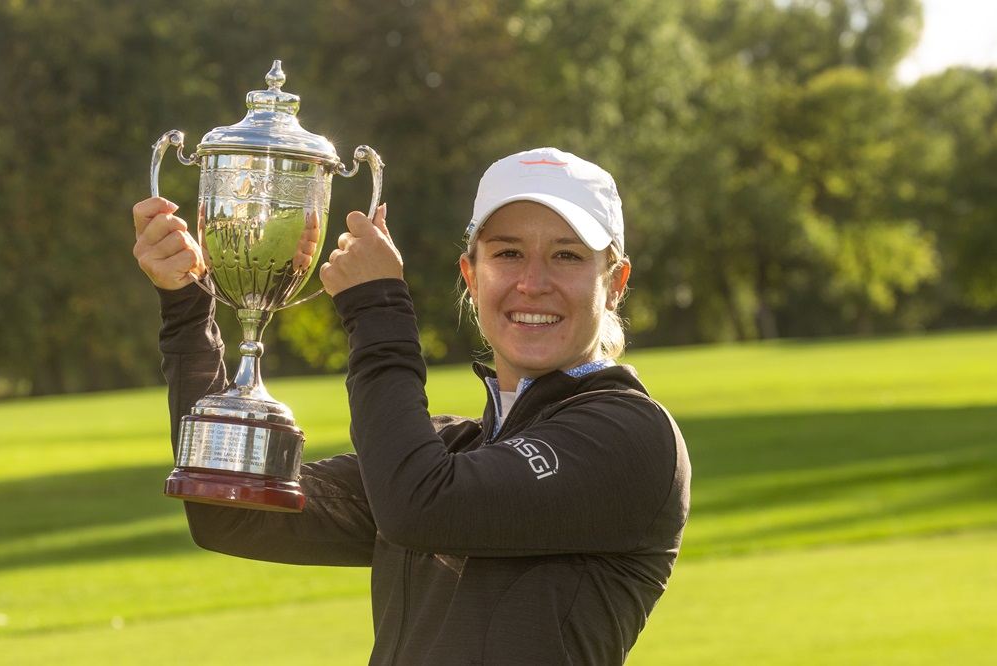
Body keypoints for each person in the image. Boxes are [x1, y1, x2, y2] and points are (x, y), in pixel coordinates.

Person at [132, 147, 691, 665]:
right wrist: (187, 306)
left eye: (566, 255)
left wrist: (377, 310)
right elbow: (227, 512)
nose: (533, 282)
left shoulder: (631, 435)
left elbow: (418, 504)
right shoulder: (446, 452)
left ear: (614, 282)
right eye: (508, 253)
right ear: (471, 276)